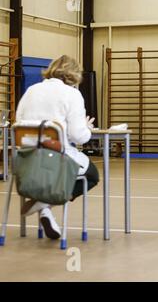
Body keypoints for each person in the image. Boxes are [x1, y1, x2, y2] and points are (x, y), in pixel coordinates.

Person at [16, 55, 99, 240]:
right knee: (92, 175)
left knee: (62, 165)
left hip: (27, 160)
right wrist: (87, 128)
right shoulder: (72, 94)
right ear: (74, 74)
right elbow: (80, 137)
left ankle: (44, 207)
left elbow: (19, 122)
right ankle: (45, 203)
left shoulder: (31, 90)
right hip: (55, 160)